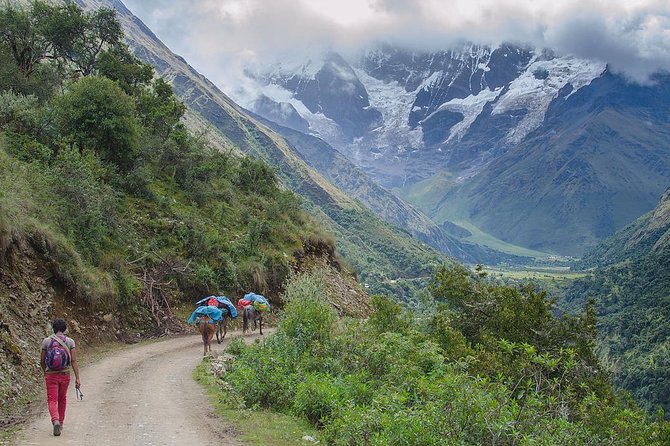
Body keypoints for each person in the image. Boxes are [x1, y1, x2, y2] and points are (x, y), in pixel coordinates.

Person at [40, 318, 81, 436]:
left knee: (52, 399)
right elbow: (73, 361)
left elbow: (42, 361)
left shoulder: (46, 341)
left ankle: (55, 420)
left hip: (50, 375)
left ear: (53, 328)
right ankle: (61, 423)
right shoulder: (70, 342)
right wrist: (77, 378)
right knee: (62, 399)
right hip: (65, 375)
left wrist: (46, 372)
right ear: (64, 329)